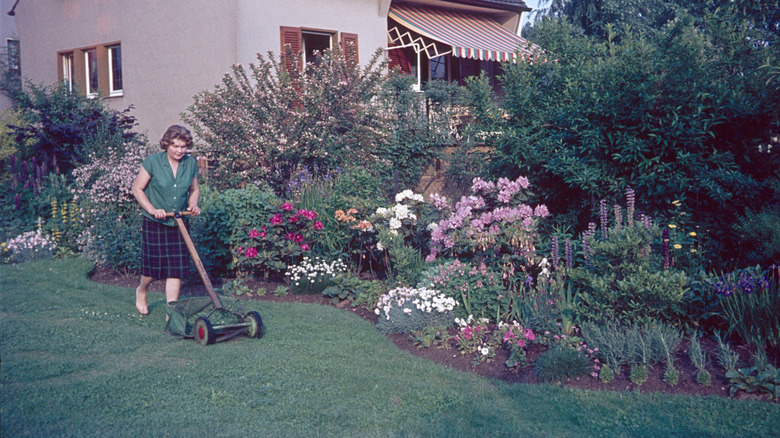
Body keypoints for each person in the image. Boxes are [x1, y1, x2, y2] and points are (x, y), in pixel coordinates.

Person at [132, 125, 201, 315]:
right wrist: (153, 209)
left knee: (176, 269)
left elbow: (194, 190)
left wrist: (193, 205)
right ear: (166, 144)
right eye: (175, 146)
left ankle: (172, 311)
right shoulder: (153, 162)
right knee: (152, 270)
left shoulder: (190, 163)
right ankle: (142, 290)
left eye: (183, 147)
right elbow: (137, 189)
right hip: (155, 222)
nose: (179, 151)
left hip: (178, 221)